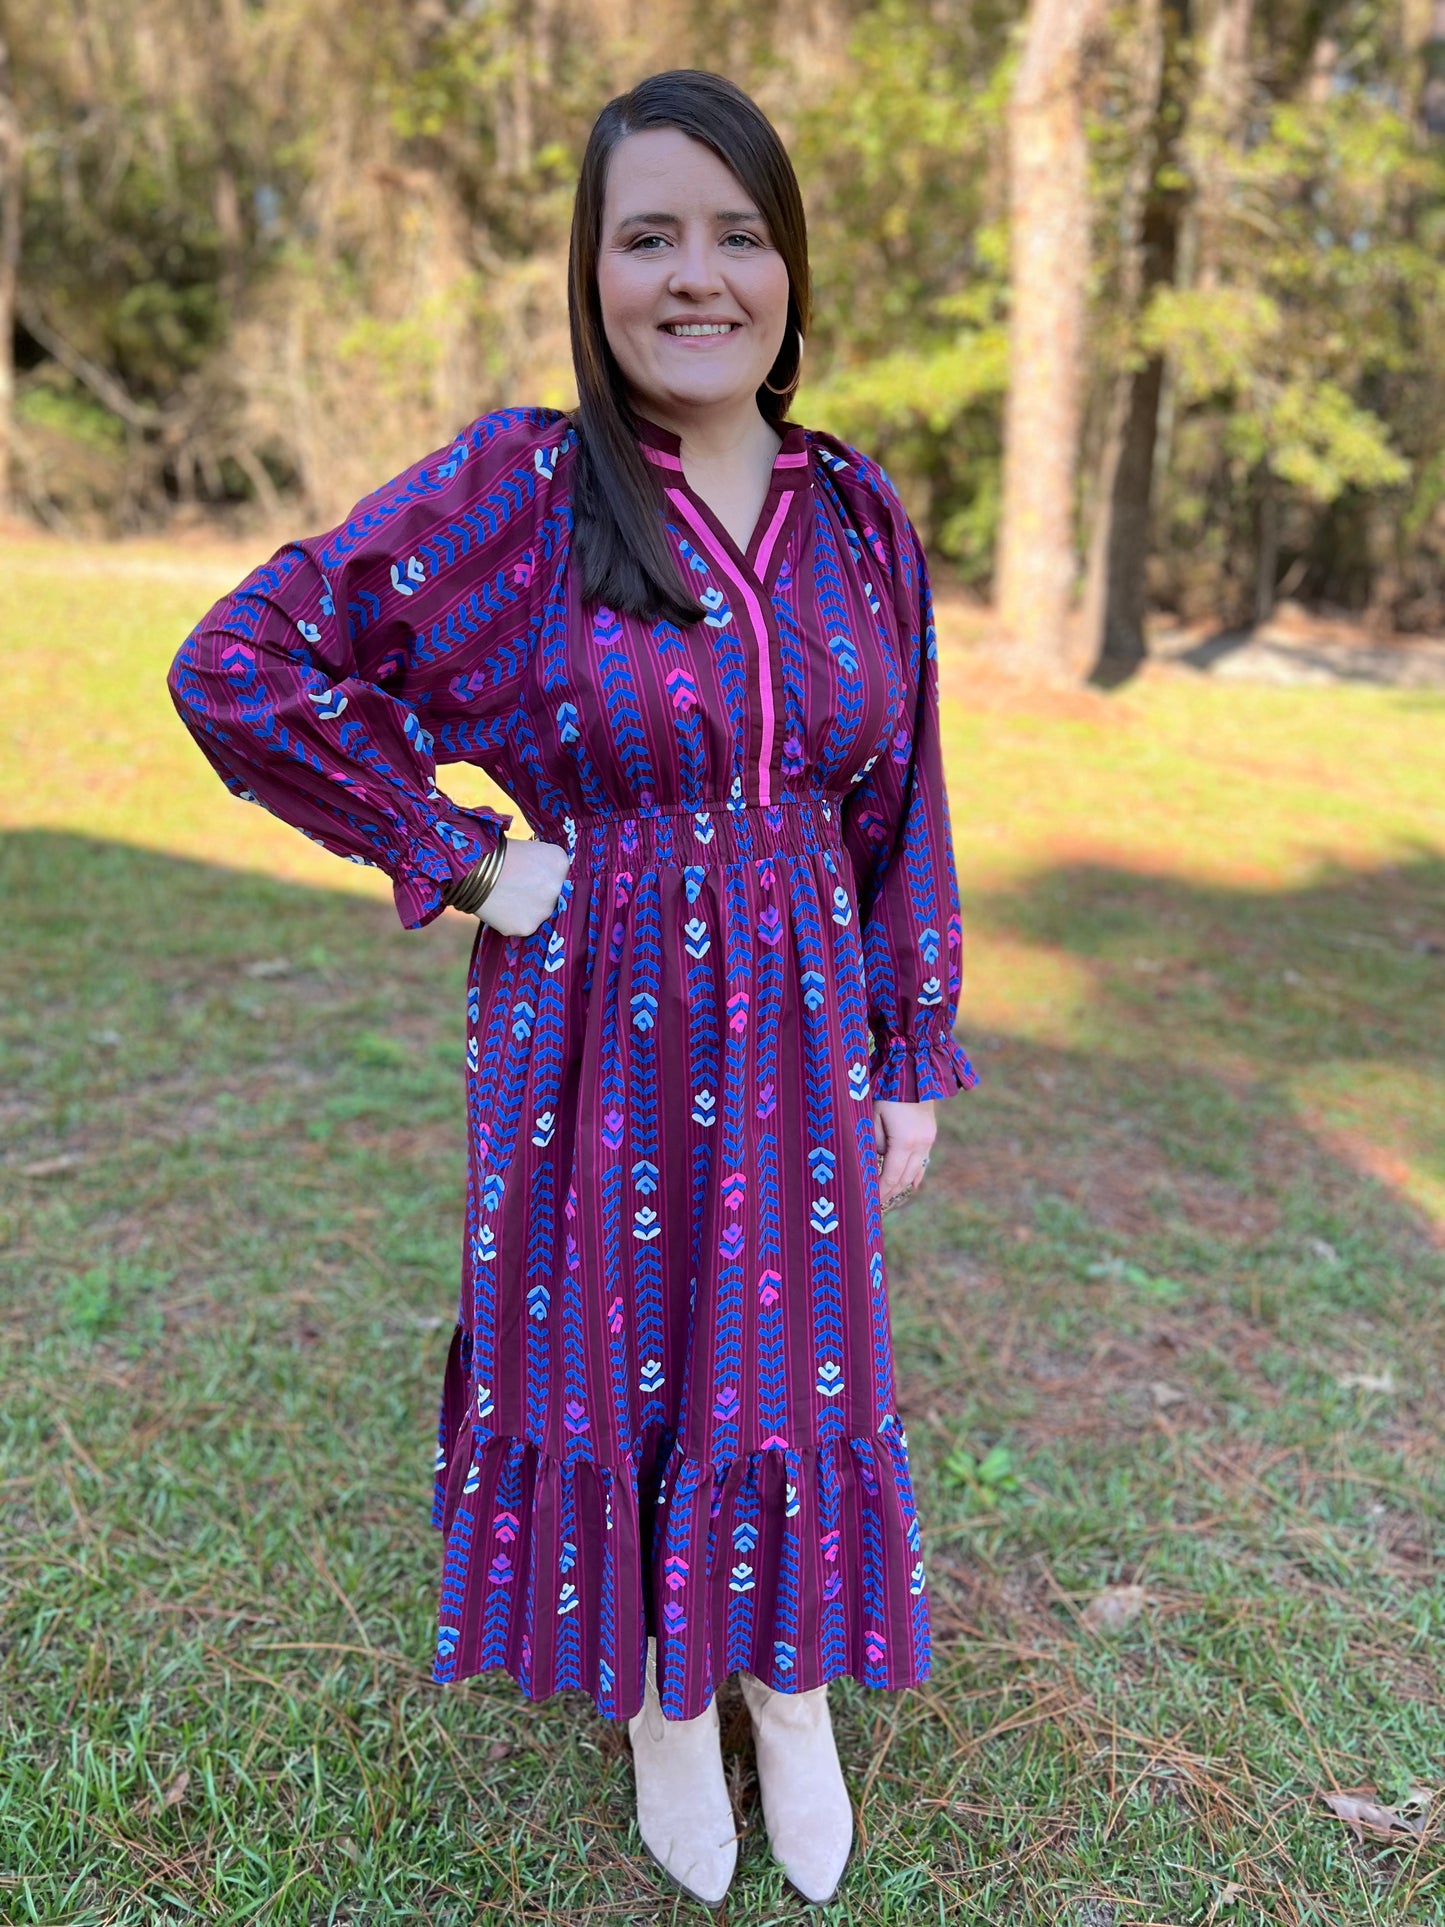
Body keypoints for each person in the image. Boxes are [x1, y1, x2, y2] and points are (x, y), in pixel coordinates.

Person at [167, 67, 977, 1911]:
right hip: (592, 1017)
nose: (697, 276)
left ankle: (789, 1695)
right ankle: (664, 1713)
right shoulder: (525, 493)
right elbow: (248, 662)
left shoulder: (856, 518)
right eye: (648, 236)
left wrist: (906, 1041)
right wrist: (448, 849)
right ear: (590, 269)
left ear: (787, 270)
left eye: (737, 234)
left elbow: (899, 791)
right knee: (622, 1351)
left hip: (797, 1025)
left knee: (789, 1351)